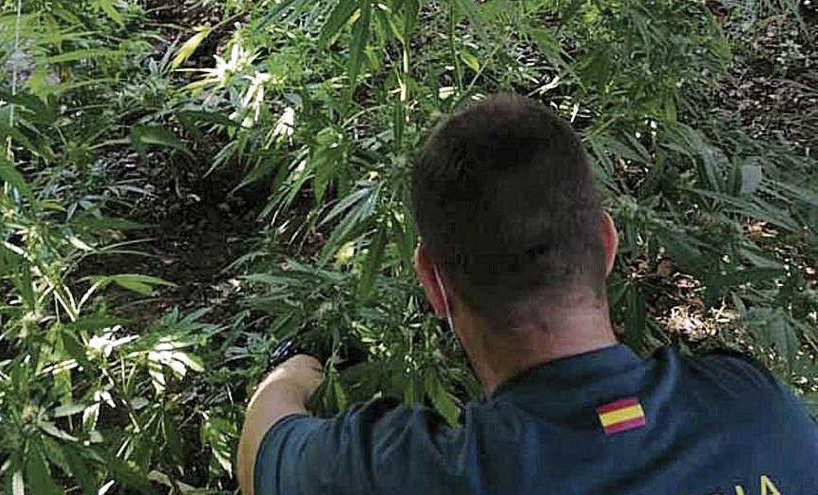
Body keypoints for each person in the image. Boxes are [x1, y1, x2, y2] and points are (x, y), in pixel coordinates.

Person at [236, 95, 818, 495]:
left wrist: (296, 372)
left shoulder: (414, 475)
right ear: (608, 243)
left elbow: (260, 453)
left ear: (433, 283)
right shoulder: (754, 408)